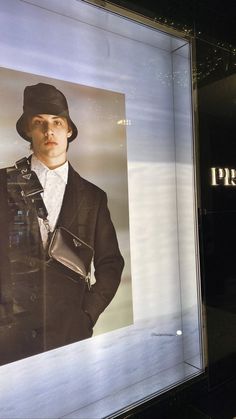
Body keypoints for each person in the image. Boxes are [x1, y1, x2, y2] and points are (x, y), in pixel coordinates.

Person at [0, 83, 124, 365]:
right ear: (28, 132)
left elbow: (111, 264)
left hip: (69, 334)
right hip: (8, 337)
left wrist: (87, 314)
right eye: (39, 123)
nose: (49, 131)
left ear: (69, 130)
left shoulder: (94, 197)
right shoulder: (3, 184)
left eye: (57, 122)